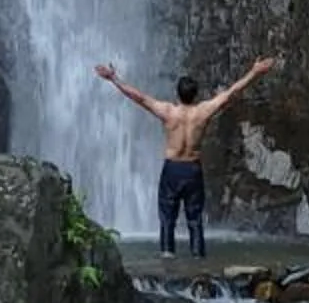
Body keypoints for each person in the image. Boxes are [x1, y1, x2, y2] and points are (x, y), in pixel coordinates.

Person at [92, 55, 279, 258]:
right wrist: (254, 72)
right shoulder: (203, 112)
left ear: (177, 94)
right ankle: (198, 258)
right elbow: (231, 93)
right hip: (192, 169)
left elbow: (139, 97)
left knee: (167, 217)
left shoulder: (168, 112)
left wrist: (114, 79)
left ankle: (167, 254)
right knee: (195, 218)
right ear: (196, 94)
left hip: (172, 169)